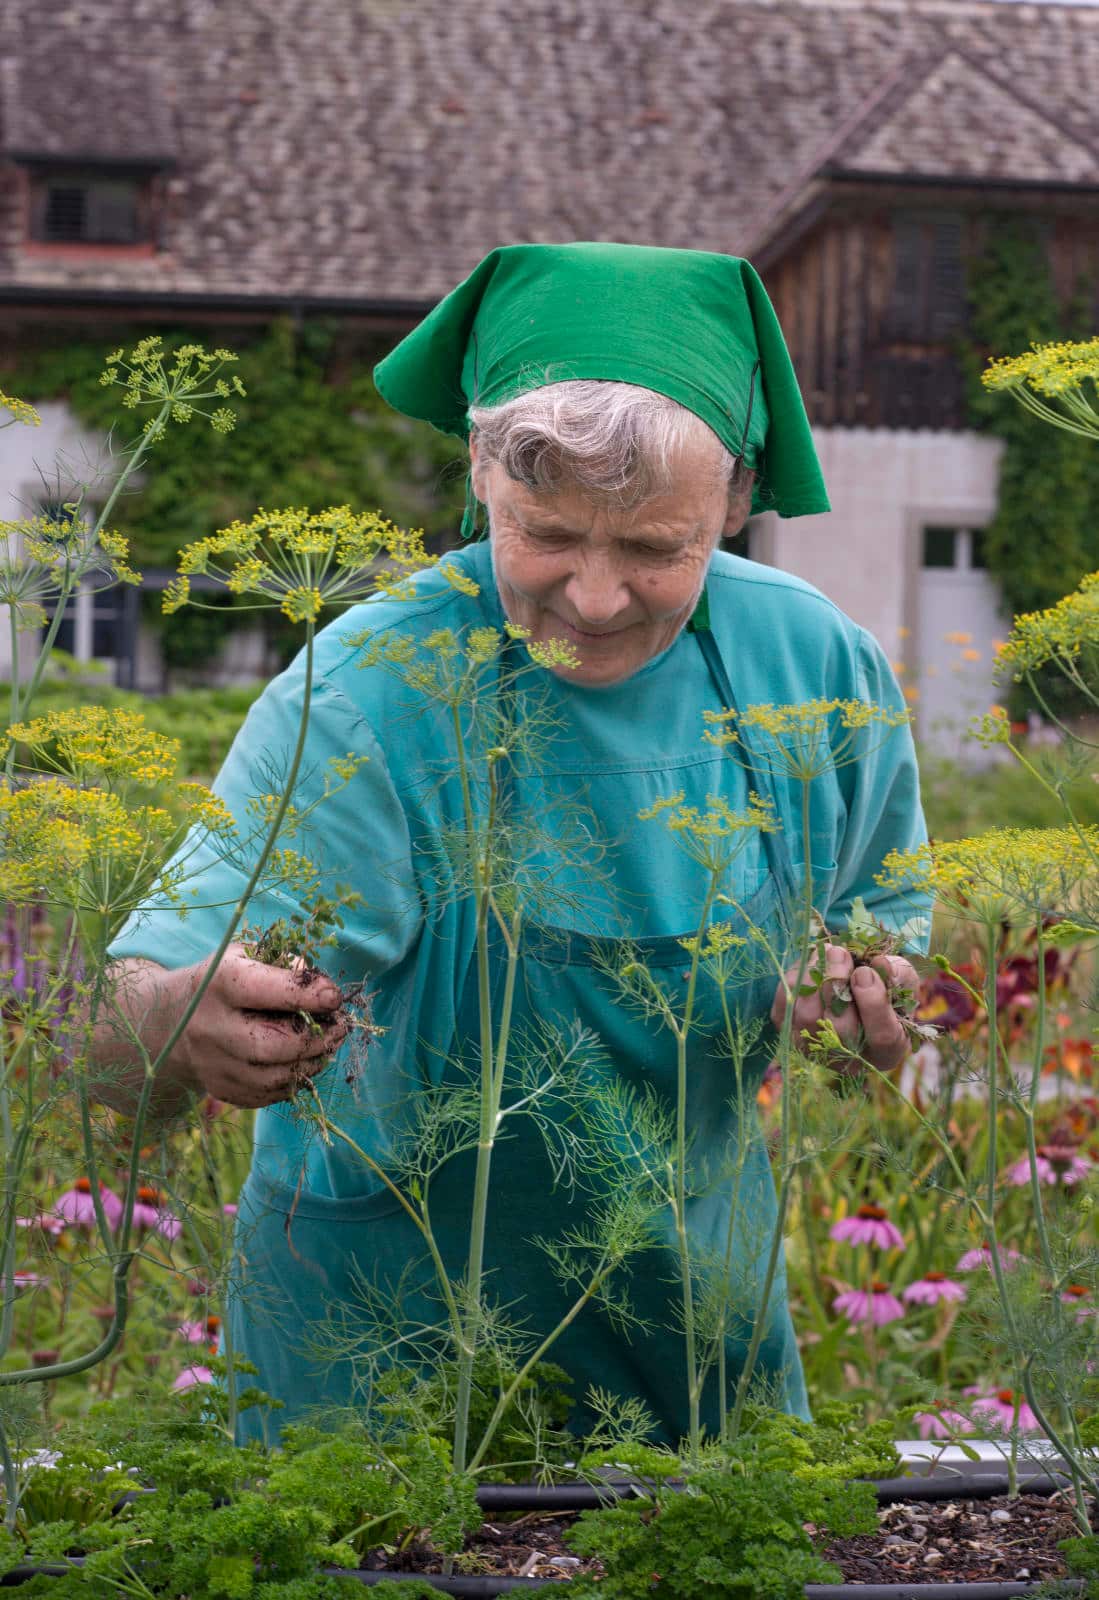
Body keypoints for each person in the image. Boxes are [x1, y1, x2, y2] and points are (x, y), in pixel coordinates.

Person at [102, 242, 928, 1444]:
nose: (593, 598)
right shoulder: (369, 685)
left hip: (698, 1337)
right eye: (545, 533)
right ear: (480, 472)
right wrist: (173, 1017)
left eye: (655, 548)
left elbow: (885, 940)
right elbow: (118, 1042)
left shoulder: (814, 667)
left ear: (736, 503)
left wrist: (864, 1003)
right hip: (378, 1366)